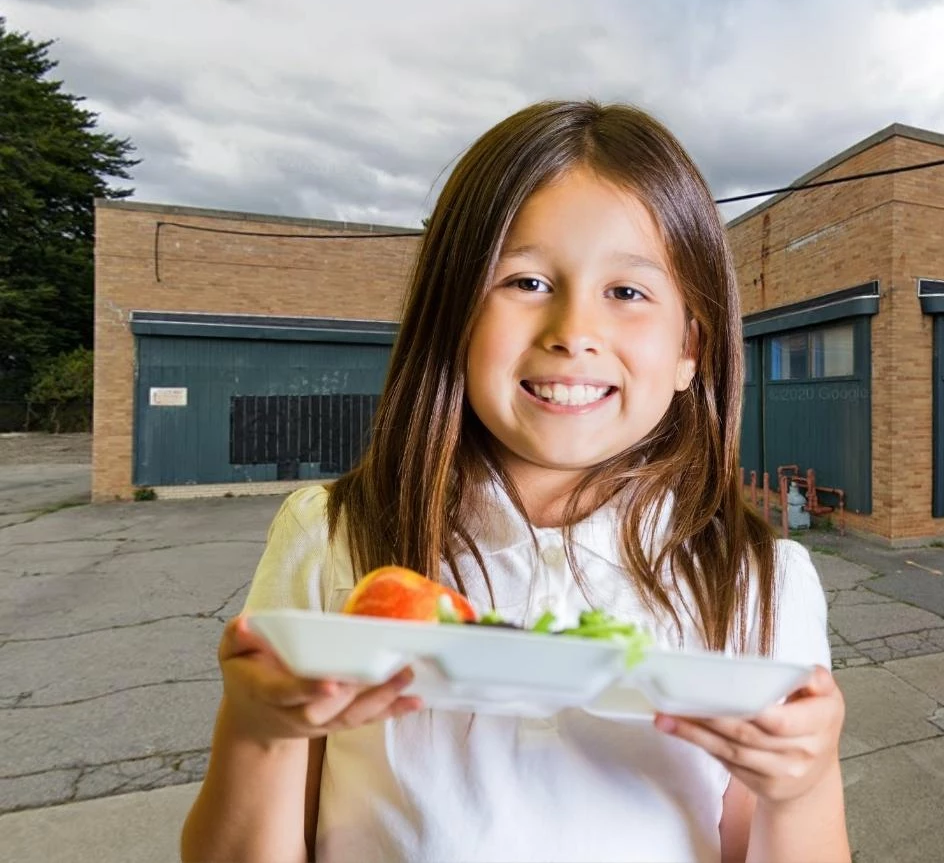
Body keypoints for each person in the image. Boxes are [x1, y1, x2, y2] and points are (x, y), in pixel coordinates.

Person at [180, 101, 849, 863]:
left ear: (690, 347)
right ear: (455, 316)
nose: (573, 330)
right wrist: (257, 727)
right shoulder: (332, 537)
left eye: (627, 293)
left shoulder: (761, 582)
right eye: (526, 280)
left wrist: (804, 783)